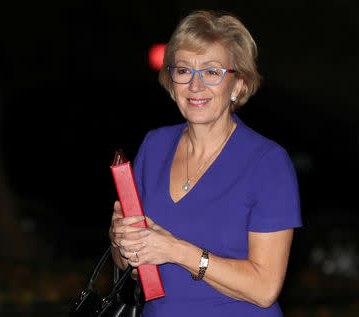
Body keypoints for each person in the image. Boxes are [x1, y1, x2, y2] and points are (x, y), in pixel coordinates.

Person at [109, 10, 302, 317]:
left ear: (237, 85)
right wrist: (122, 239)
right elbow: (131, 267)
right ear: (172, 81)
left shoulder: (267, 163)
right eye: (184, 70)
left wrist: (175, 250)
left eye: (212, 72)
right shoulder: (154, 146)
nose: (195, 86)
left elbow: (265, 289)